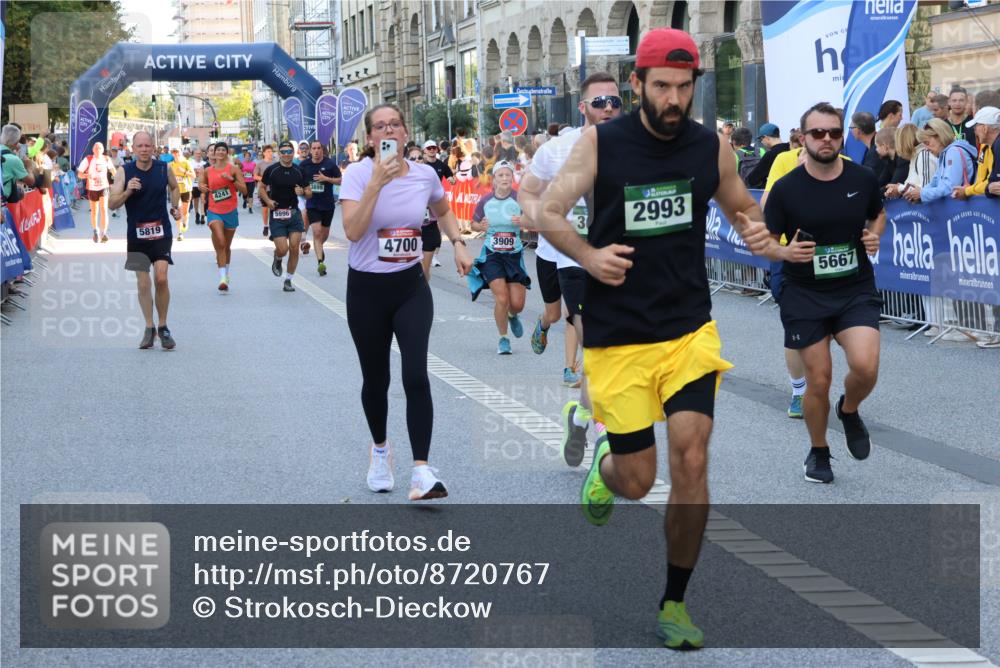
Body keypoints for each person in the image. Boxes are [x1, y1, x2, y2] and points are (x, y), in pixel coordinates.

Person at [537, 28, 764, 651]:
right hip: (619, 337)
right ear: (637, 83)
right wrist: (588, 255)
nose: (672, 97)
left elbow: (743, 207)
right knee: (638, 479)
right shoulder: (601, 143)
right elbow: (548, 211)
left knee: (692, 456)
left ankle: (674, 602)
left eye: (683, 87)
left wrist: (766, 237)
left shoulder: (707, 147)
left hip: (688, 326)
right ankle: (604, 473)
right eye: (660, 85)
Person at [339, 103, 472, 500]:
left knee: (415, 375)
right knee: (376, 380)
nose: (388, 131)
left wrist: (459, 243)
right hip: (366, 290)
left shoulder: (425, 174)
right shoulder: (358, 175)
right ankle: (380, 450)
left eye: (394, 124)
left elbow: (444, 210)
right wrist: (377, 183)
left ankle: (421, 472)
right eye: (380, 127)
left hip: (411, 286)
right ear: (370, 138)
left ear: (404, 131)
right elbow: (352, 230)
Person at [749, 101, 885, 486]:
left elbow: (878, 214)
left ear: (842, 136)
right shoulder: (786, 188)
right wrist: (784, 252)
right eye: (818, 133)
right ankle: (819, 450)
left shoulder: (862, 178)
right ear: (802, 138)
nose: (827, 139)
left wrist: (875, 234)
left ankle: (849, 408)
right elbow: (764, 242)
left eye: (834, 133)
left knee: (866, 366)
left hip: (853, 286)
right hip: (804, 292)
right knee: (819, 379)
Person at [519, 71, 623, 450]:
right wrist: (541, 217)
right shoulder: (556, 149)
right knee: (594, 341)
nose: (609, 108)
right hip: (571, 258)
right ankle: (603, 432)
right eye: (600, 102)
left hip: (621, 258)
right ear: (583, 108)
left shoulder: (638, 146)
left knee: (612, 349)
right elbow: (527, 190)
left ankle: (580, 417)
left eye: (615, 101)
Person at [108, 131, 182, 350]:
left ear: (153, 147)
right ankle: (149, 328)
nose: (143, 149)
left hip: (161, 233)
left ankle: (163, 326)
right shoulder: (124, 171)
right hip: (137, 236)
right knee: (143, 283)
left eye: (147, 146)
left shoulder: (163, 168)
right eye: (139, 146)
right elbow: (112, 203)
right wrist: (128, 191)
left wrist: (175, 207)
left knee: (160, 278)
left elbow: (175, 187)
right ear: (132, 148)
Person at [469, 161, 530, 354]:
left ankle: (513, 315)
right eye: (500, 175)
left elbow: (534, 220)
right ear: (494, 179)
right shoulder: (486, 200)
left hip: (514, 255)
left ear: (512, 178)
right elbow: (473, 224)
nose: (504, 178)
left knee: (517, 304)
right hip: (492, 254)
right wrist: (481, 227)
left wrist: (524, 221)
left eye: (507, 175)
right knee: (502, 298)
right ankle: (503, 339)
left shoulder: (520, 199)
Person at [260, 141, 311, 292]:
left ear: (293, 153)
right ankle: (278, 257)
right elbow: (261, 188)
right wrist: (268, 201)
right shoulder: (272, 170)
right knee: (283, 249)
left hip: (294, 214)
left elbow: (309, 192)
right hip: (277, 214)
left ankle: (288, 280)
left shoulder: (299, 171)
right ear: (279, 153)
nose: (287, 154)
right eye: (283, 151)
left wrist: (303, 192)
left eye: (289, 151)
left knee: (294, 248)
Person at [200, 142, 246, 291]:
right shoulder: (207, 170)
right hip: (214, 210)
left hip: (230, 210)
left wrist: (231, 180)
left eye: (222, 150)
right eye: (216, 150)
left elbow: (245, 191)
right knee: (220, 241)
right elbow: (201, 184)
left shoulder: (233, 169)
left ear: (227, 153)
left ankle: (226, 273)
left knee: (226, 246)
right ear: (212, 153)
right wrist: (202, 188)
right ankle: (222, 278)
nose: (219, 152)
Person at [904, 118, 976, 205]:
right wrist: (918, 194)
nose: (926, 149)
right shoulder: (945, 153)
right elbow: (934, 182)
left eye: (927, 143)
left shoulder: (953, 152)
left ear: (940, 137)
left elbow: (950, 188)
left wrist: (922, 194)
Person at [299, 140, 342, 276]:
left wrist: (326, 178)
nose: (316, 151)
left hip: (328, 204)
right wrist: (301, 189)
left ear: (322, 150)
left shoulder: (329, 164)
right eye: (314, 148)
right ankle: (320, 263)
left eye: (319, 148)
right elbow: (298, 180)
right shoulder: (304, 165)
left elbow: (340, 180)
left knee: (324, 235)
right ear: (310, 150)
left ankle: (319, 247)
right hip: (312, 204)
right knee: (317, 232)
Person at [77, 142, 116, 243]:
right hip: (92, 188)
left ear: (103, 150)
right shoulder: (88, 159)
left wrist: (118, 181)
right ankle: (95, 230)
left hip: (104, 187)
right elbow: (79, 174)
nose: (98, 150)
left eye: (100, 148)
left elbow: (113, 171)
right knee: (94, 211)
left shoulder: (106, 159)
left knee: (103, 209)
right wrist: (87, 176)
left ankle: (104, 233)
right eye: (96, 148)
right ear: (93, 150)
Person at [744, 123, 789, 189]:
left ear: (766, 137)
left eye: (760, 139)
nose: (761, 142)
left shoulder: (770, 155)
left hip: (775, 192)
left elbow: (752, 179)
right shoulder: (790, 148)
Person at [3, 124, 36, 202]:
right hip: (4, 199)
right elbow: (30, 181)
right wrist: (29, 168)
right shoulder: (14, 159)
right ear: (17, 142)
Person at [168, 147, 195, 240]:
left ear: (180, 153)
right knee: (177, 211)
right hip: (175, 191)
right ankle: (180, 233)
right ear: (172, 154)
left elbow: (193, 175)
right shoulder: (170, 165)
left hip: (186, 190)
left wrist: (184, 171)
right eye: (173, 152)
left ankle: (185, 222)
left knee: (185, 212)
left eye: (177, 152)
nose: (175, 154)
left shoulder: (186, 162)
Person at [253, 145, 276, 237]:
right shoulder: (260, 164)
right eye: (268, 151)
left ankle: (274, 227)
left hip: (275, 189)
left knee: (274, 209)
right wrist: (264, 179)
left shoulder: (276, 163)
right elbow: (255, 176)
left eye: (271, 151)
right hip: (264, 190)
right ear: (264, 153)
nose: (270, 153)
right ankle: (266, 225)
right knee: (265, 209)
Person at [189, 147, 208, 225]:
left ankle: (203, 215)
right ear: (193, 154)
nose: (198, 155)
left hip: (202, 184)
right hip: (194, 184)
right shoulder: (190, 163)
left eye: (199, 153)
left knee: (203, 200)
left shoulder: (204, 163)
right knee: (196, 200)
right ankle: (197, 214)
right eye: (196, 153)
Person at [240, 149, 257, 213]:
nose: (247, 157)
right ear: (244, 157)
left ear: (250, 157)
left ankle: (250, 208)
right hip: (244, 181)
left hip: (251, 181)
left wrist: (253, 174)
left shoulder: (253, 164)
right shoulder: (241, 164)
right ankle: (245, 200)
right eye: (246, 156)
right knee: (244, 194)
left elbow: (255, 172)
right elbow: (239, 172)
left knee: (250, 194)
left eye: (248, 156)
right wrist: (242, 173)